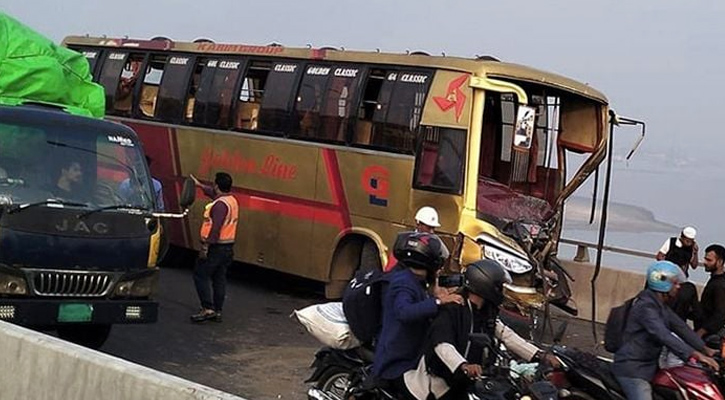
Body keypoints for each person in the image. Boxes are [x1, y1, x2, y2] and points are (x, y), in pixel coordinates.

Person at [404, 259, 554, 400]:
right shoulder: (452, 309)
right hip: (436, 386)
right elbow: (443, 345)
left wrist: (540, 355)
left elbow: (506, 334)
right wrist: (463, 365)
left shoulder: (485, 311)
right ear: (485, 284)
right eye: (499, 287)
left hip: (467, 383)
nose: (501, 291)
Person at [371, 231, 463, 395]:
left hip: (412, 355)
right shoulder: (403, 283)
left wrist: (436, 293)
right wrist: (438, 302)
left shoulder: (417, 281)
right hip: (397, 361)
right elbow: (404, 312)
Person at [613, 261, 718, 400]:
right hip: (632, 371)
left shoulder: (659, 306)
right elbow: (664, 335)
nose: (678, 286)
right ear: (662, 283)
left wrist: (707, 350)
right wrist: (697, 355)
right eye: (675, 283)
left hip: (649, 368)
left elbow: (681, 328)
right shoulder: (646, 308)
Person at [189, 172, 239, 323]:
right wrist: (199, 185)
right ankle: (217, 311)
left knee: (200, 275)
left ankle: (207, 308)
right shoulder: (231, 201)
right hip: (228, 247)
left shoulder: (219, 206)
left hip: (215, 247)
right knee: (219, 278)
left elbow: (215, 228)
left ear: (217, 185)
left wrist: (206, 246)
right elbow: (212, 193)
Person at [695, 244, 725, 338]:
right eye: (705, 259)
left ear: (720, 262)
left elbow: (720, 314)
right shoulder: (715, 280)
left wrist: (701, 332)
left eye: (709, 260)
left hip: (711, 334)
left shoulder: (720, 285)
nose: (705, 262)